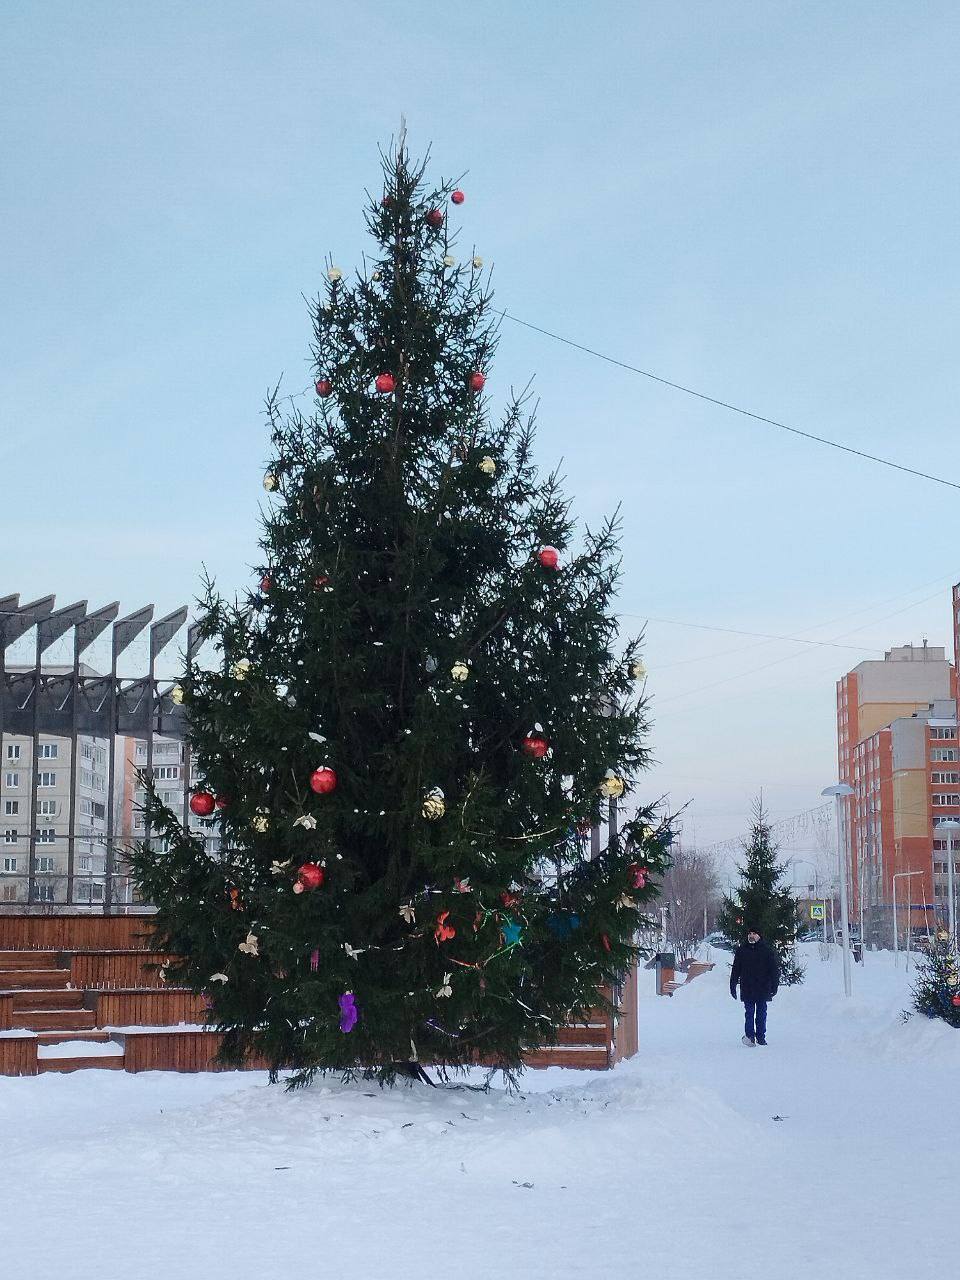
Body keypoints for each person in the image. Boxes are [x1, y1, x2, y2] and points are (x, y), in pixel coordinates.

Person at [729, 926, 779, 1046]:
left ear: (759, 936)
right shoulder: (742, 951)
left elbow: (773, 970)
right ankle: (750, 1036)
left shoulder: (767, 951)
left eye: (754, 934)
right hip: (748, 988)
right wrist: (733, 985)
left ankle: (761, 1037)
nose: (751, 936)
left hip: (763, 987)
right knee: (749, 1012)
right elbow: (736, 969)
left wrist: (774, 986)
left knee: (761, 1013)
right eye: (750, 933)